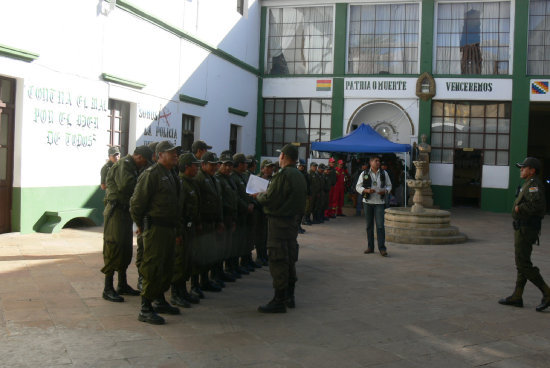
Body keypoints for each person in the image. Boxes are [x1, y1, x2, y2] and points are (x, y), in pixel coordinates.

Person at [130, 141, 182, 325]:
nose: (175, 154)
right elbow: (136, 204)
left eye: (176, 152)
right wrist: (142, 225)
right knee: (152, 267)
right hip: (155, 228)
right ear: (159, 155)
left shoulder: (171, 174)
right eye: (171, 152)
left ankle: (159, 300)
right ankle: (145, 308)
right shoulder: (151, 175)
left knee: (167, 267)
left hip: (168, 228)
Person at [256, 144, 306, 313]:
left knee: (278, 259)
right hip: (292, 222)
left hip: (279, 222)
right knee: (290, 259)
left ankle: (279, 300)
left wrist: (259, 196)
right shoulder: (299, 175)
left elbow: (271, 198)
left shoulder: (283, 175)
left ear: (283, 156)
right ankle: (290, 296)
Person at [499, 157, 550, 312]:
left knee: (523, 263)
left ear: (532, 170)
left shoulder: (534, 184)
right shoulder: (528, 183)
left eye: (524, 167)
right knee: (522, 261)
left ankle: (547, 292)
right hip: (522, 228)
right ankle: (517, 295)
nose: (521, 170)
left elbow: (536, 205)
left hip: (527, 229)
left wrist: (519, 209)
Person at [102, 145, 152, 303]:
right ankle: (107, 288)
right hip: (116, 212)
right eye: (144, 161)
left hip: (125, 212)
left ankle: (122, 284)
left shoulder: (131, 166)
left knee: (124, 249)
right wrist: (144, 188)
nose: (143, 165)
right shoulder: (124, 164)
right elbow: (127, 186)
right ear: (138, 157)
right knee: (113, 246)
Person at [170, 153, 202, 308]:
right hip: (182, 229)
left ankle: (183, 291)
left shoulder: (191, 183)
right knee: (179, 262)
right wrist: (177, 233)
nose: (197, 168)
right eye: (195, 165)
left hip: (190, 228)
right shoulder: (181, 183)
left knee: (187, 262)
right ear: (187, 167)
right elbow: (177, 211)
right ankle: (176, 294)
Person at [193, 151, 224, 295]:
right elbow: (196, 203)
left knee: (209, 253)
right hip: (203, 222)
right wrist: (198, 221)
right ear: (203, 165)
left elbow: (218, 201)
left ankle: (205, 280)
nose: (215, 167)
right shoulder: (199, 178)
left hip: (212, 222)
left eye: (215, 165)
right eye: (211, 165)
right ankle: (196, 284)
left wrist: (219, 221)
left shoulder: (213, 179)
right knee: (200, 254)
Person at [356, 156, 392, 257]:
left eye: (379, 161)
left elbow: (389, 186)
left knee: (380, 226)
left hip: (379, 202)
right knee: (369, 226)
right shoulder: (365, 173)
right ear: (370, 162)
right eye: (376, 161)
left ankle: (382, 248)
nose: (378, 162)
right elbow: (358, 186)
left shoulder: (384, 173)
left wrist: (385, 191)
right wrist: (365, 190)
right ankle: (370, 247)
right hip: (367, 202)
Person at [255, 159, 276, 265]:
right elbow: (252, 195)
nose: (270, 169)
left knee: (267, 234)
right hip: (258, 210)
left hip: (268, 210)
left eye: (271, 167)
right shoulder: (257, 179)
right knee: (260, 234)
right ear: (262, 168)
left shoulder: (273, 179)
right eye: (268, 167)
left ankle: (264, 255)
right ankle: (259, 256)